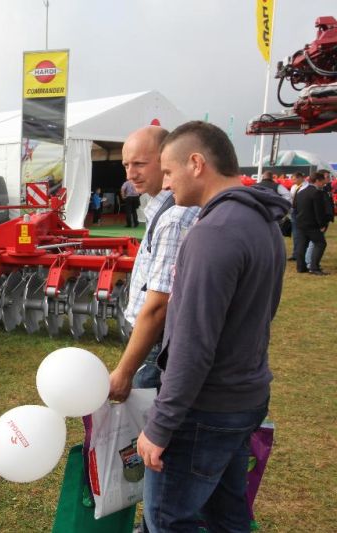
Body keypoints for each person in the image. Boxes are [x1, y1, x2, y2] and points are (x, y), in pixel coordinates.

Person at [137, 121, 288, 532]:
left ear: (196, 163)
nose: (165, 185)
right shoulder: (263, 222)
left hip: (205, 409)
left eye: (168, 172)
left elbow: (192, 344)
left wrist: (161, 425)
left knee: (169, 519)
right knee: (227, 514)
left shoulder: (212, 234)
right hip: (245, 397)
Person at [109, 126, 199, 402]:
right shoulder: (163, 209)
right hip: (151, 342)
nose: (130, 174)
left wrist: (125, 371)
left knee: (146, 430)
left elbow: (159, 305)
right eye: (126, 165)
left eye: (139, 163)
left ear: (166, 160)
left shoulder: (174, 217)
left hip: (154, 345)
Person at [294, 172, 330, 275]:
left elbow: (295, 207)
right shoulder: (316, 193)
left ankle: (300, 267)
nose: (324, 184)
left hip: (301, 223)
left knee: (302, 245)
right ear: (318, 181)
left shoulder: (300, 192)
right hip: (312, 224)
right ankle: (314, 267)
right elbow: (318, 211)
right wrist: (322, 224)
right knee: (321, 243)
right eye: (323, 181)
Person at [288, 172, 307, 261]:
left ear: (300, 178)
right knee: (296, 234)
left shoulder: (307, 187)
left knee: (304, 234)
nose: (293, 181)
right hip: (294, 212)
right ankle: (296, 254)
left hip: (303, 212)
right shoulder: (293, 187)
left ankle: (303, 254)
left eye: (294, 179)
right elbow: (291, 199)